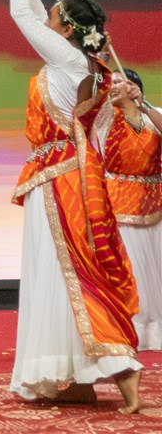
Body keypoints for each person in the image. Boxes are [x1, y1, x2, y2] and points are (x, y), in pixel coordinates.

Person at [0, 0, 141, 413]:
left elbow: (23, 15)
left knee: (69, 270)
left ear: (66, 31)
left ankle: (120, 372)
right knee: (64, 271)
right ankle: (77, 377)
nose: (47, 19)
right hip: (67, 174)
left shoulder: (68, 61)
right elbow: (37, 13)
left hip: (61, 179)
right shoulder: (87, 64)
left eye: (55, 16)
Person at [104, 70, 161, 351]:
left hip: (154, 201)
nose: (112, 87)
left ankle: (155, 330)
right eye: (109, 83)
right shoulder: (105, 119)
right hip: (118, 201)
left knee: (156, 269)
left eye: (118, 82)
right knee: (130, 268)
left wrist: (144, 105)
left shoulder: (153, 115)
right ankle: (130, 328)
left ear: (135, 87)